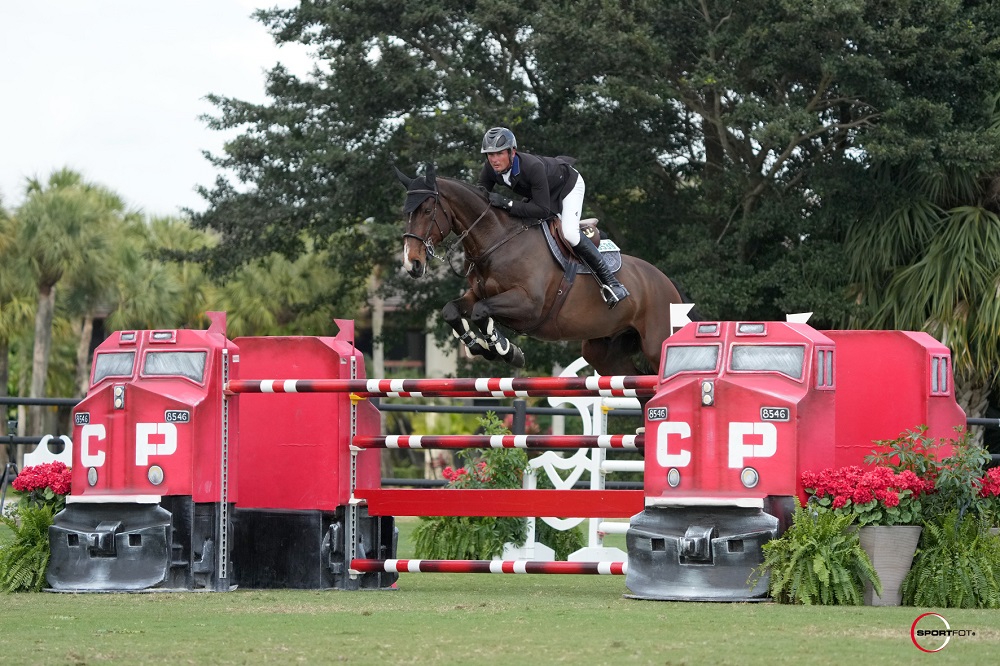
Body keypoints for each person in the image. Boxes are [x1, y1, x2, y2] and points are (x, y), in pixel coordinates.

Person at [477, 127, 630, 309]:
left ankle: (613, 283)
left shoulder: (532, 167)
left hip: (568, 186)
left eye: (499, 153)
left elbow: (542, 210)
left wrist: (506, 203)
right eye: (490, 154)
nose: (494, 160)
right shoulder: (490, 168)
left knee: (569, 234)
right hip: (544, 194)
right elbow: (480, 195)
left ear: (512, 152)